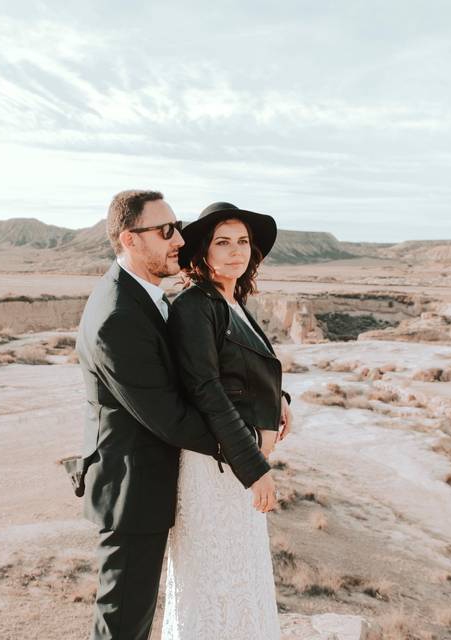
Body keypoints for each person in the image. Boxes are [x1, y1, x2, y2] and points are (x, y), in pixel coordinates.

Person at [72, 191, 277, 640]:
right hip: (133, 486)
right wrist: (248, 456)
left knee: (139, 613)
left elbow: (221, 373)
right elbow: (172, 415)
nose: (179, 239)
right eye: (166, 231)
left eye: (177, 227)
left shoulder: (145, 297)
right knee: (124, 619)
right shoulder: (117, 315)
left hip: (157, 477)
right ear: (130, 239)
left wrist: (272, 409)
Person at [161, 202, 293, 640]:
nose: (236, 252)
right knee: (215, 577)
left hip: (234, 465)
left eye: (243, 242)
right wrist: (255, 469)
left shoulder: (231, 299)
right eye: (223, 242)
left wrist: (280, 402)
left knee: (240, 576)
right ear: (202, 250)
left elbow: (248, 369)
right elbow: (206, 388)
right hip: (219, 466)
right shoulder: (194, 304)